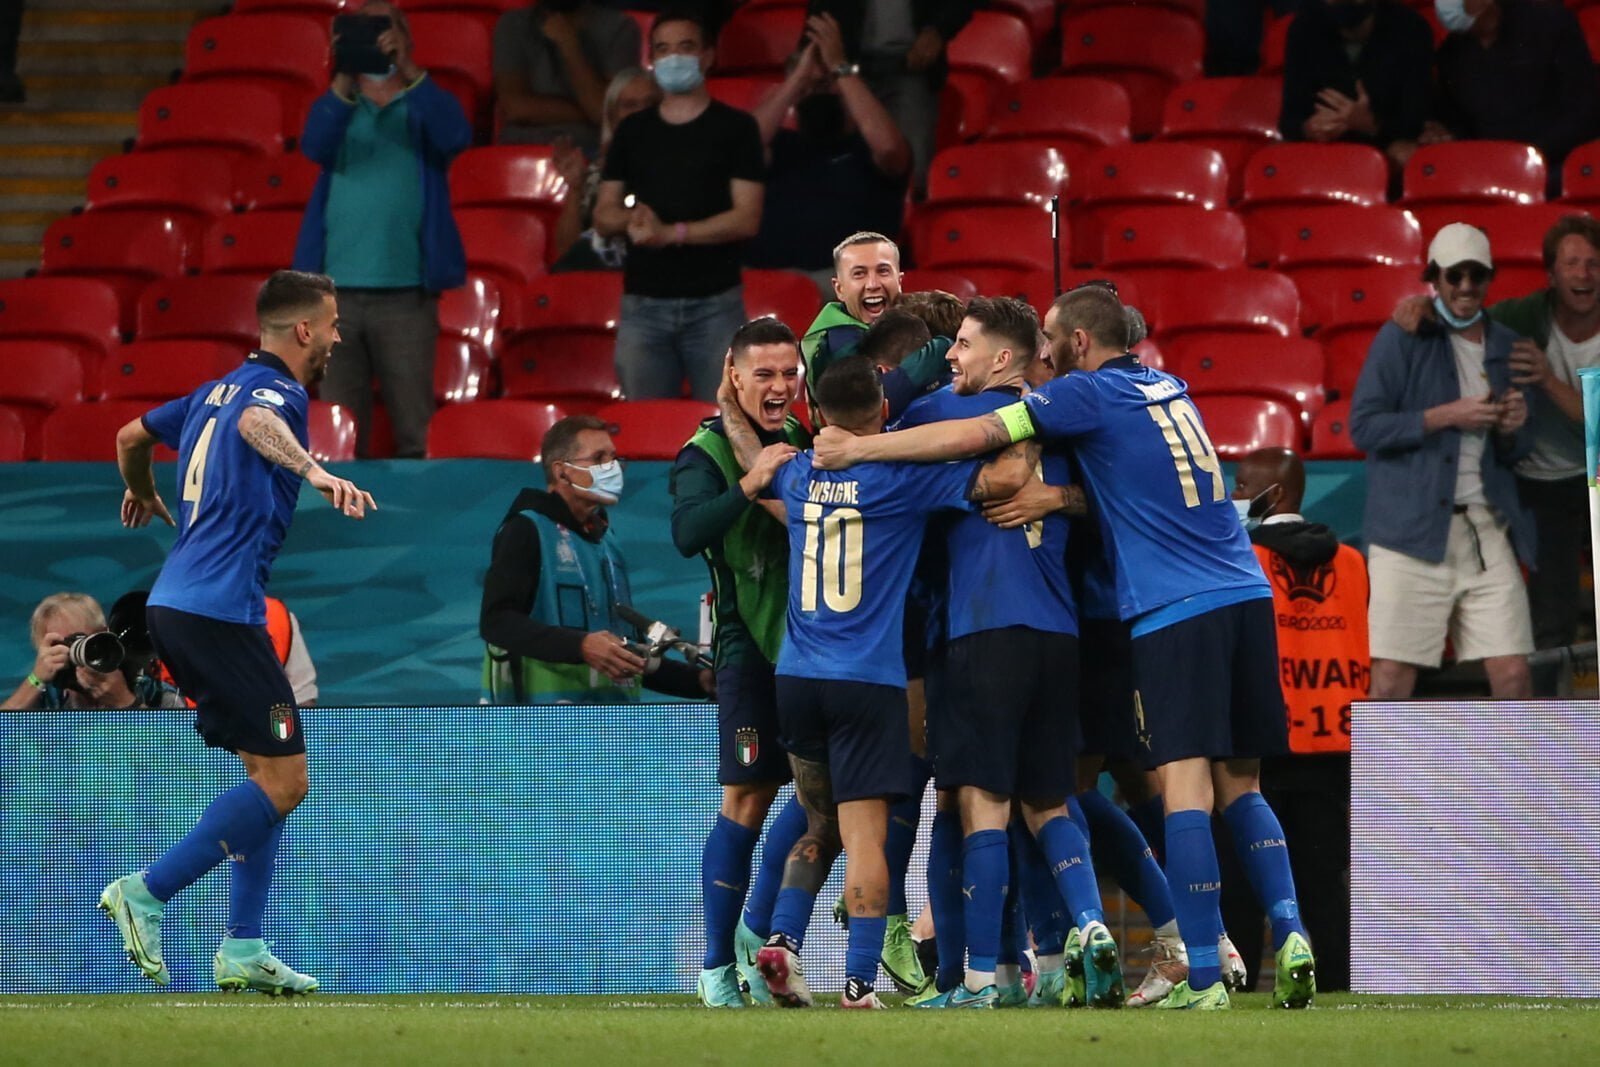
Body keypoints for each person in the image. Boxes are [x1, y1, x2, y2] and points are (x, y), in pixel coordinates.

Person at [812, 284, 1319, 1012]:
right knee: (1240, 786)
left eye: (1052, 338)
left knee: (1172, 789)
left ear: (1079, 342)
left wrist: (862, 445)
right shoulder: (1170, 387)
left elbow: (983, 434)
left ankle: (1200, 974)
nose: (1045, 354)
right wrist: (1060, 499)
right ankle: (1291, 934)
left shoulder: (1081, 396)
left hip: (1164, 609)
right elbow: (1131, 484)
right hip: (1242, 591)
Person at [101, 270, 377, 995]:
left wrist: (140, 487)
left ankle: (245, 946)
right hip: (216, 614)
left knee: (270, 774)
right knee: (289, 780)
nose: (338, 337)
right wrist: (316, 472)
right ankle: (146, 891)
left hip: (188, 605)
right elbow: (259, 424)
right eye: (334, 323)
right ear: (305, 330)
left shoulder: (208, 393)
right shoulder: (275, 392)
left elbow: (129, 435)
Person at [737, 354, 1032, 1009]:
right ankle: (859, 982)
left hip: (796, 677)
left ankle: (782, 939)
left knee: (818, 825)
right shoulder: (902, 478)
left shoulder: (797, 474)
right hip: (867, 682)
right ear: (883, 412)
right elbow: (1005, 478)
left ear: (818, 411)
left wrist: (733, 409)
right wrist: (1030, 420)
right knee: (866, 838)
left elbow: (752, 466)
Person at [891, 297, 1125, 1010]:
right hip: (1059, 636)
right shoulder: (1070, 426)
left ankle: (981, 979)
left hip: (982, 631)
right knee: (1049, 801)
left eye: (962, 344)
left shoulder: (945, 413)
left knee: (981, 808)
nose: (951, 355)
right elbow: (1116, 496)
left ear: (1001, 358)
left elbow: (875, 424)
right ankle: (1090, 925)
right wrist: (1062, 497)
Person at [1394, 214, 1600, 693]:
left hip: (1593, 478)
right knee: (1549, 615)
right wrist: (1422, 307)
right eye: (1572, 263)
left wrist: (1546, 378)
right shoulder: (1522, 317)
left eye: (1593, 264)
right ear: (1551, 274)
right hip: (1537, 485)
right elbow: (1461, 320)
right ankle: (1543, 723)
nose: (1584, 274)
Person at [669, 318, 811, 1007]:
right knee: (748, 800)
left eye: (789, 373)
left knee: (825, 793)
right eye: (765, 374)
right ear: (733, 374)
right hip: (748, 650)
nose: (779, 386)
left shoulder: (808, 437)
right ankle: (716, 967)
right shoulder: (702, 452)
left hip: (815, 645)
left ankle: (758, 927)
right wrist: (751, 482)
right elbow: (686, 532)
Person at [1351, 222, 1535, 700]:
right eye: (1456, 275)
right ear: (1435, 278)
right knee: (1391, 678)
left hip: (1485, 527)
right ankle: (1387, 758)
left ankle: (1515, 756)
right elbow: (1364, 427)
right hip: (1408, 533)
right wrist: (1445, 416)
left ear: (1490, 278)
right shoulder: (1401, 336)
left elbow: (1518, 452)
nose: (1467, 287)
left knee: (1514, 674)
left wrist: (1513, 428)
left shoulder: (1507, 344)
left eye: (1477, 275)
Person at [293, 0, 470, 459]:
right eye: (362, 29)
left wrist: (407, 69)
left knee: (415, 428)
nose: (373, 36)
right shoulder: (338, 105)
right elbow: (314, 145)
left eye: (382, 27)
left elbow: (455, 135)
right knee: (341, 431)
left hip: (406, 294)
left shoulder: (421, 102)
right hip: (335, 298)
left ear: (404, 37)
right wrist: (343, 75)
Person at [1221, 446, 1367, 993]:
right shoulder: (1352, 563)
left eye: (1242, 486)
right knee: (1323, 879)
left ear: (1273, 493)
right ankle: (1336, 986)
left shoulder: (1242, 556)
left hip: (1260, 739)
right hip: (1332, 739)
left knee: (1242, 875)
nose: (1235, 496)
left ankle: (1237, 984)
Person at [593, 8, 764, 401]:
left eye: (685, 47)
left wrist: (672, 233)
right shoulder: (632, 131)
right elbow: (603, 214)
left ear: (707, 56)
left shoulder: (737, 129)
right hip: (643, 307)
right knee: (645, 426)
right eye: (663, 49)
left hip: (715, 305)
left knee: (726, 421)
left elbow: (746, 218)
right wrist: (632, 220)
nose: (673, 58)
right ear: (652, 59)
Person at [480, 414, 710, 703]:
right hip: (542, 724)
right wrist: (581, 646)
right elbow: (496, 621)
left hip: (609, 721)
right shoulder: (526, 529)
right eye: (599, 458)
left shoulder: (606, 541)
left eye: (614, 458)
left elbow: (625, 652)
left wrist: (697, 682)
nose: (612, 468)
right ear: (562, 471)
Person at [745, 13, 910, 287]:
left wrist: (840, 67)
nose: (818, 91)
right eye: (810, 86)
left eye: (827, 83)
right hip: (766, 281)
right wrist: (798, 78)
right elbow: (739, 147)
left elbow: (890, 149)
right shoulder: (778, 144)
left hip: (846, 284)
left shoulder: (869, 147)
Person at [809, 0, 979, 193]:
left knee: (914, 177)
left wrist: (940, 29)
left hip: (912, 68)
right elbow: (819, 12)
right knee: (840, 172)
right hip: (847, 65)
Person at [1433, 0, 1599, 182]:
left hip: (1558, 162)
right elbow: (1456, 122)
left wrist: (1529, 154)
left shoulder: (1549, 23)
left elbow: (1583, 109)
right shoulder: (1451, 53)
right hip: (1488, 168)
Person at [1277, 0, 1434, 168]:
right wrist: (1309, 128)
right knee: (1277, 156)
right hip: (1323, 143)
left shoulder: (1411, 28)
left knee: (1405, 154)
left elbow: (1415, 120)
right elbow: (1289, 118)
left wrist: (1371, 124)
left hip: (1383, 141)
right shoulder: (1304, 27)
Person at [493, 0, 642, 154]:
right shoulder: (512, 24)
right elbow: (515, 108)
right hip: (521, 146)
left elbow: (606, 112)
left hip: (588, 149)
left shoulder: (620, 28)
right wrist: (589, 110)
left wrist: (569, 46)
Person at [549, 67, 661, 272]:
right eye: (630, 105)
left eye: (650, 104)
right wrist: (575, 188)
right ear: (611, 117)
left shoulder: (680, 162)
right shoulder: (596, 173)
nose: (641, 113)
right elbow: (566, 252)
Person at [3, 593, 182, 711]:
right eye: (59, 645)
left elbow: (184, 749)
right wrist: (36, 679)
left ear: (105, 637)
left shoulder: (154, 693)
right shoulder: (43, 697)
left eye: (79, 641)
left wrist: (125, 702)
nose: (71, 654)